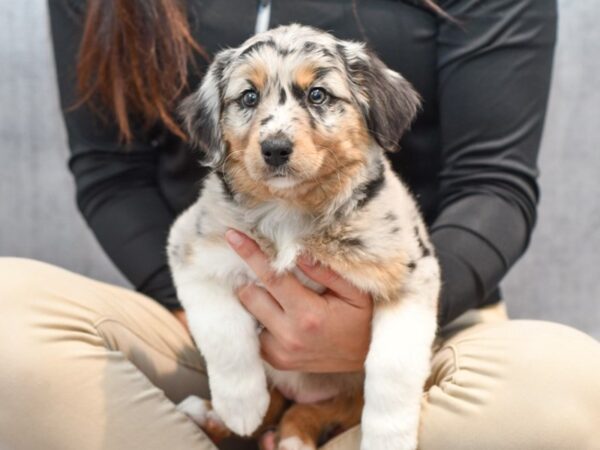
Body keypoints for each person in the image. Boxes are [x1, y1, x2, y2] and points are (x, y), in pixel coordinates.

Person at [0, 0, 598, 449]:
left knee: (568, 391)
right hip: (207, 318)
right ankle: (268, 424)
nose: (277, 134)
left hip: (420, 323)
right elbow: (112, 173)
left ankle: (299, 429)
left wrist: (371, 332)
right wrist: (225, 335)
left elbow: (494, 182)